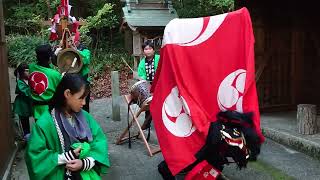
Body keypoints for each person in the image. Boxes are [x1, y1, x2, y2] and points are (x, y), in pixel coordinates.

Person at [25, 73, 110, 180]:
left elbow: (100, 143)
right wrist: (65, 157)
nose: (84, 103)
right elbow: (34, 157)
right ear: (67, 93)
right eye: (81, 98)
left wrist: (85, 163)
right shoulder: (45, 124)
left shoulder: (86, 117)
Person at [28, 44, 62, 120]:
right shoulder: (55, 75)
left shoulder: (31, 67)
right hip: (49, 110)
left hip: (35, 108)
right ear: (50, 58)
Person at [137, 40, 160, 132]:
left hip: (159, 85)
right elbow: (141, 75)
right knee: (149, 105)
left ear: (154, 50)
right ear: (143, 51)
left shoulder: (159, 58)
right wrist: (142, 79)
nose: (148, 50)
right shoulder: (142, 62)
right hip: (149, 87)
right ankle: (147, 124)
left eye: (150, 48)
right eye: (146, 49)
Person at [13, 63, 32, 138]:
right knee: (25, 124)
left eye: (29, 70)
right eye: (26, 71)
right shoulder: (20, 82)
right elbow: (26, 92)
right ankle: (27, 138)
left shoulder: (29, 80)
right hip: (21, 106)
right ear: (21, 72)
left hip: (27, 104)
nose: (28, 72)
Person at [76, 41, 91, 112]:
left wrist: (76, 51)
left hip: (84, 79)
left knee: (84, 102)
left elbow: (86, 60)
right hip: (73, 79)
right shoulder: (67, 50)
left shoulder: (85, 50)